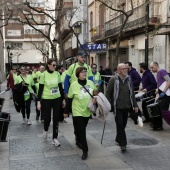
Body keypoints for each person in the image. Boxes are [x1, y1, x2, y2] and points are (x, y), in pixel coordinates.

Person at [64, 67, 96, 160]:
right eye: (82, 72)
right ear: (78, 74)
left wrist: (95, 98)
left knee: (81, 128)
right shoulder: (73, 85)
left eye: (85, 72)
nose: (84, 73)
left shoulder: (90, 83)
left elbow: (94, 93)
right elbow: (69, 99)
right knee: (82, 131)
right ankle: (85, 151)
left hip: (87, 110)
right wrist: (66, 112)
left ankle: (78, 139)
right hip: (77, 110)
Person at [106, 63, 138, 151]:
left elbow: (132, 93)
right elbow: (108, 92)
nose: (126, 70)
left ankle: (118, 138)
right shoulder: (113, 79)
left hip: (127, 106)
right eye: (123, 69)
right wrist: (105, 104)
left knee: (123, 125)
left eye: (126, 69)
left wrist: (135, 105)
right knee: (120, 125)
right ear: (119, 70)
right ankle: (123, 144)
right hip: (117, 107)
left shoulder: (129, 79)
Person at [37, 59, 65, 147]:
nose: (55, 67)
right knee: (48, 119)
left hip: (57, 98)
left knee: (56, 118)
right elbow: (40, 89)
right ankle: (45, 129)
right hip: (46, 99)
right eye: (53, 65)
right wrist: (38, 102)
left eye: (55, 65)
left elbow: (60, 87)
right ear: (48, 65)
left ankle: (55, 138)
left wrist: (63, 99)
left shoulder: (57, 74)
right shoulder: (43, 75)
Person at [150, 61, 170, 130]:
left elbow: (169, 81)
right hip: (163, 93)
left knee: (164, 111)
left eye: (152, 67)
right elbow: (162, 83)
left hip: (166, 94)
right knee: (161, 110)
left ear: (156, 66)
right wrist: (158, 91)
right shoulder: (158, 73)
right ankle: (158, 126)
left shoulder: (162, 71)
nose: (151, 69)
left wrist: (164, 91)